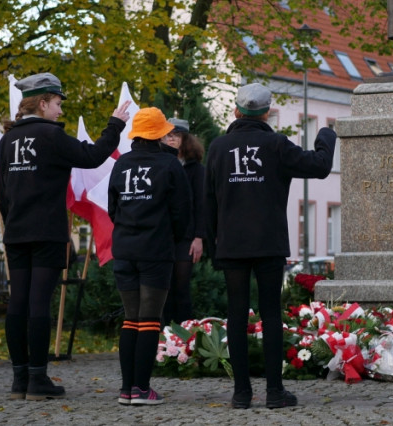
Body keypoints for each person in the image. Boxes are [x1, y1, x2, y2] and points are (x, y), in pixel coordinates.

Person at [0, 73, 130, 400]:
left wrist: (13, 221)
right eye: (57, 104)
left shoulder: (8, 139)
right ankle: (37, 379)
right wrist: (115, 125)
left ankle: (19, 380)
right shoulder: (50, 136)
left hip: (16, 231)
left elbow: (3, 193)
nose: (60, 111)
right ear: (42, 103)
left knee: (18, 302)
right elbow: (92, 156)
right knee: (39, 303)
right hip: (46, 231)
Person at [206, 83, 337, 409]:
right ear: (266, 113)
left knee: (236, 315)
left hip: (232, 244)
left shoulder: (219, 147)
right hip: (268, 242)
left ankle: (241, 393)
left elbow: (207, 201)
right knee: (270, 314)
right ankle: (275, 392)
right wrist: (326, 135)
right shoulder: (276, 144)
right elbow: (319, 166)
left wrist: (211, 245)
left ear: (237, 111)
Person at [108, 108, 191, 406]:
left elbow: (113, 209)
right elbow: (182, 211)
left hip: (125, 250)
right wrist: (176, 238)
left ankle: (126, 389)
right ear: (158, 133)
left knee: (131, 320)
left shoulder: (122, 163)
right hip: (156, 251)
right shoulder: (169, 164)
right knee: (149, 320)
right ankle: (142, 389)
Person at [160, 118, 206, 328]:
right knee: (162, 291)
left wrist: (199, 237)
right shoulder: (160, 164)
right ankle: (163, 342)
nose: (171, 139)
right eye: (168, 135)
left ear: (185, 139)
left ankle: (185, 340)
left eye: (176, 135)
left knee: (181, 289)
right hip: (162, 236)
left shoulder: (196, 170)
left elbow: (202, 205)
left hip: (186, 238)